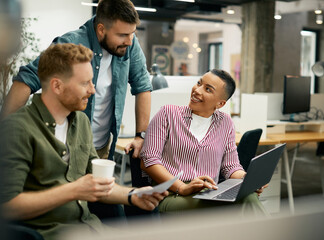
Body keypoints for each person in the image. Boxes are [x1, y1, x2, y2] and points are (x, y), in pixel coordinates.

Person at [0, 43, 167, 240]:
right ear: (57, 86)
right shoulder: (17, 129)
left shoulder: (81, 122)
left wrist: (133, 195)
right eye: (85, 83)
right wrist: (73, 190)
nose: (93, 90)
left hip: (91, 229)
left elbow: (97, 185)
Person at [0, 0, 150, 159]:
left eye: (132, 33)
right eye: (122, 35)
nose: (129, 40)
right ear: (101, 29)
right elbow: (26, 79)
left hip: (101, 147)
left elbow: (143, 85)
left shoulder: (130, 46)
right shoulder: (71, 43)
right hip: (65, 148)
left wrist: (141, 136)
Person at [140, 69, 267, 214]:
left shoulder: (225, 122)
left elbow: (230, 167)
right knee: (243, 203)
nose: (197, 90)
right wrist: (182, 187)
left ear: (220, 103)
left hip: (208, 193)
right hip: (171, 193)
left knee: (248, 196)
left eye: (207, 89)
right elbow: (148, 161)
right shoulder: (168, 114)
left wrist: (248, 179)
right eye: (199, 83)